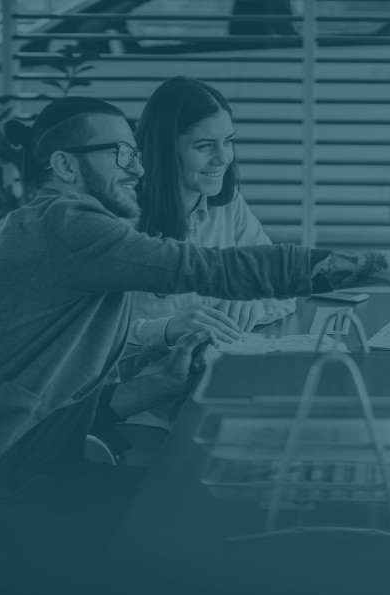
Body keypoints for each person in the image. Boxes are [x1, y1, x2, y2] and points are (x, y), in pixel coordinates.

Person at [0, 96, 390, 583]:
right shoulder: (63, 225)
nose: (138, 169)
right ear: (65, 165)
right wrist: (378, 263)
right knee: (187, 549)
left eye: (136, 153)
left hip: (26, 468)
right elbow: (215, 269)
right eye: (120, 154)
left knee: (215, 512)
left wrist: (158, 383)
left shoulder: (68, 233)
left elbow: (55, 408)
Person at [99, 77, 297, 464]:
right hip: (143, 415)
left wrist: (252, 299)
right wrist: (166, 329)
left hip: (214, 394)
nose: (224, 158)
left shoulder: (227, 205)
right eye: (205, 145)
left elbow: (281, 278)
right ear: (163, 150)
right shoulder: (119, 222)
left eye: (229, 141)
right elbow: (91, 341)